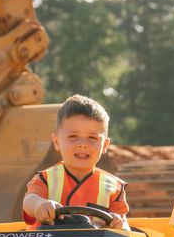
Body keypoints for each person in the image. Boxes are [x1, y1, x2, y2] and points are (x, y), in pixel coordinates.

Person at [22, 94, 129, 229]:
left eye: (92, 138)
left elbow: (125, 228)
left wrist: (119, 222)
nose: (83, 144)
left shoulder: (115, 188)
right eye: (73, 136)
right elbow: (29, 200)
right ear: (56, 141)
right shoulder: (45, 179)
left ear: (105, 145)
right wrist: (39, 205)